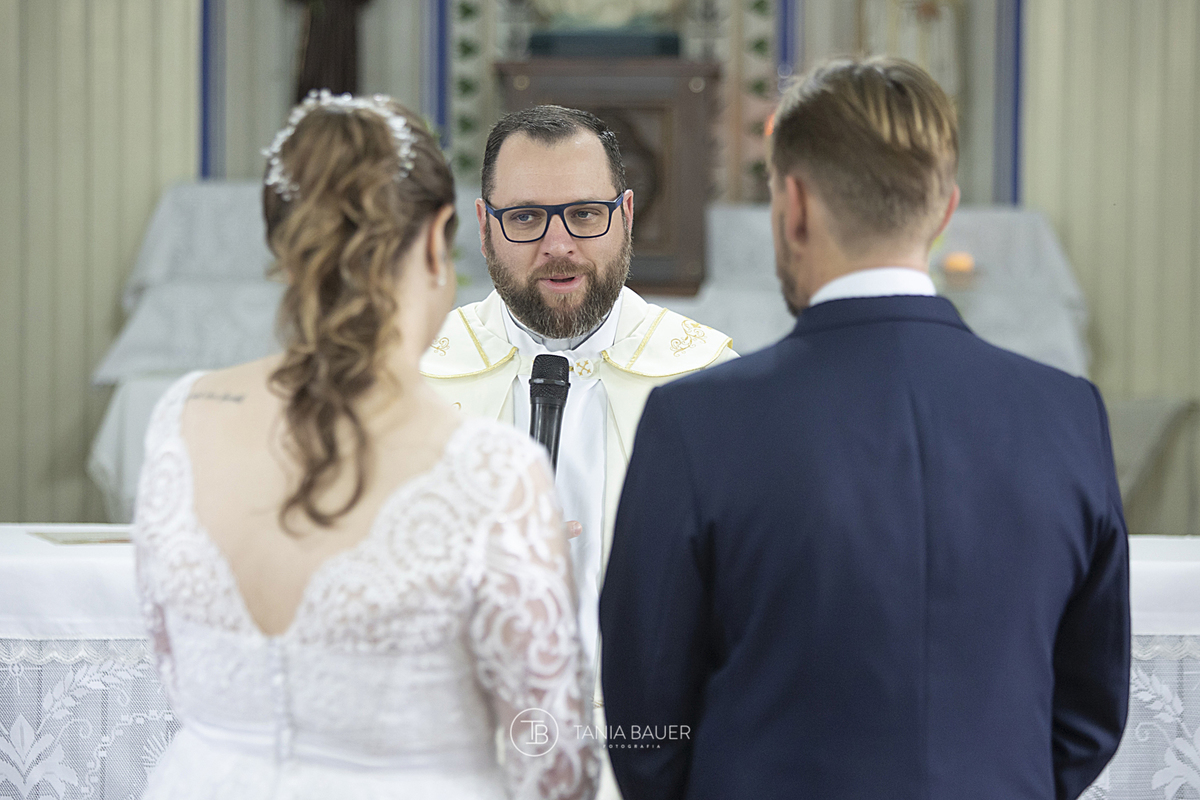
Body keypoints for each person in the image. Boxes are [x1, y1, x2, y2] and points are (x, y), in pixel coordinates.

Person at [600, 57, 1130, 800]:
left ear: (794, 205)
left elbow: (642, 711)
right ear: (944, 210)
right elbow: (1091, 710)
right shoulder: (1068, 415)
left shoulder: (697, 423)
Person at [132, 90, 598, 800]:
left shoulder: (181, 417)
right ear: (444, 234)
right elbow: (554, 765)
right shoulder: (493, 471)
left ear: (281, 243)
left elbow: (173, 673)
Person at [420, 105, 736, 678]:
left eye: (586, 214)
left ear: (627, 215)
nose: (558, 244)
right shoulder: (416, 382)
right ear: (484, 225)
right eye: (525, 218)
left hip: (648, 742)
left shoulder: (711, 383)